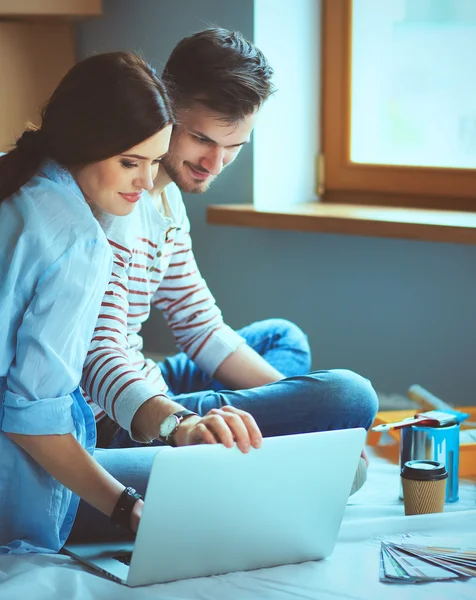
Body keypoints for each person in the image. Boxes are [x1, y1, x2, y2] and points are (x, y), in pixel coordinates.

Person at [71, 28, 378, 544]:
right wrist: (176, 423)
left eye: (233, 148)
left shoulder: (166, 203)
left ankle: (274, 438)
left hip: (145, 379)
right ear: (165, 108)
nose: (214, 165)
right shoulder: (121, 197)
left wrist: (287, 399)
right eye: (202, 141)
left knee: (285, 340)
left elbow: (202, 328)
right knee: (349, 396)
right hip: (118, 410)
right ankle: (283, 445)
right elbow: (98, 356)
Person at [0, 51, 175, 553]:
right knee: (210, 481)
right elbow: (32, 423)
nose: (147, 183)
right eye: (130, 163)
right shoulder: (78, 241)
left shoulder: (15, 182)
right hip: (20, 466)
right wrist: (127, 507)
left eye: (156, 161)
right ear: (86, 142)